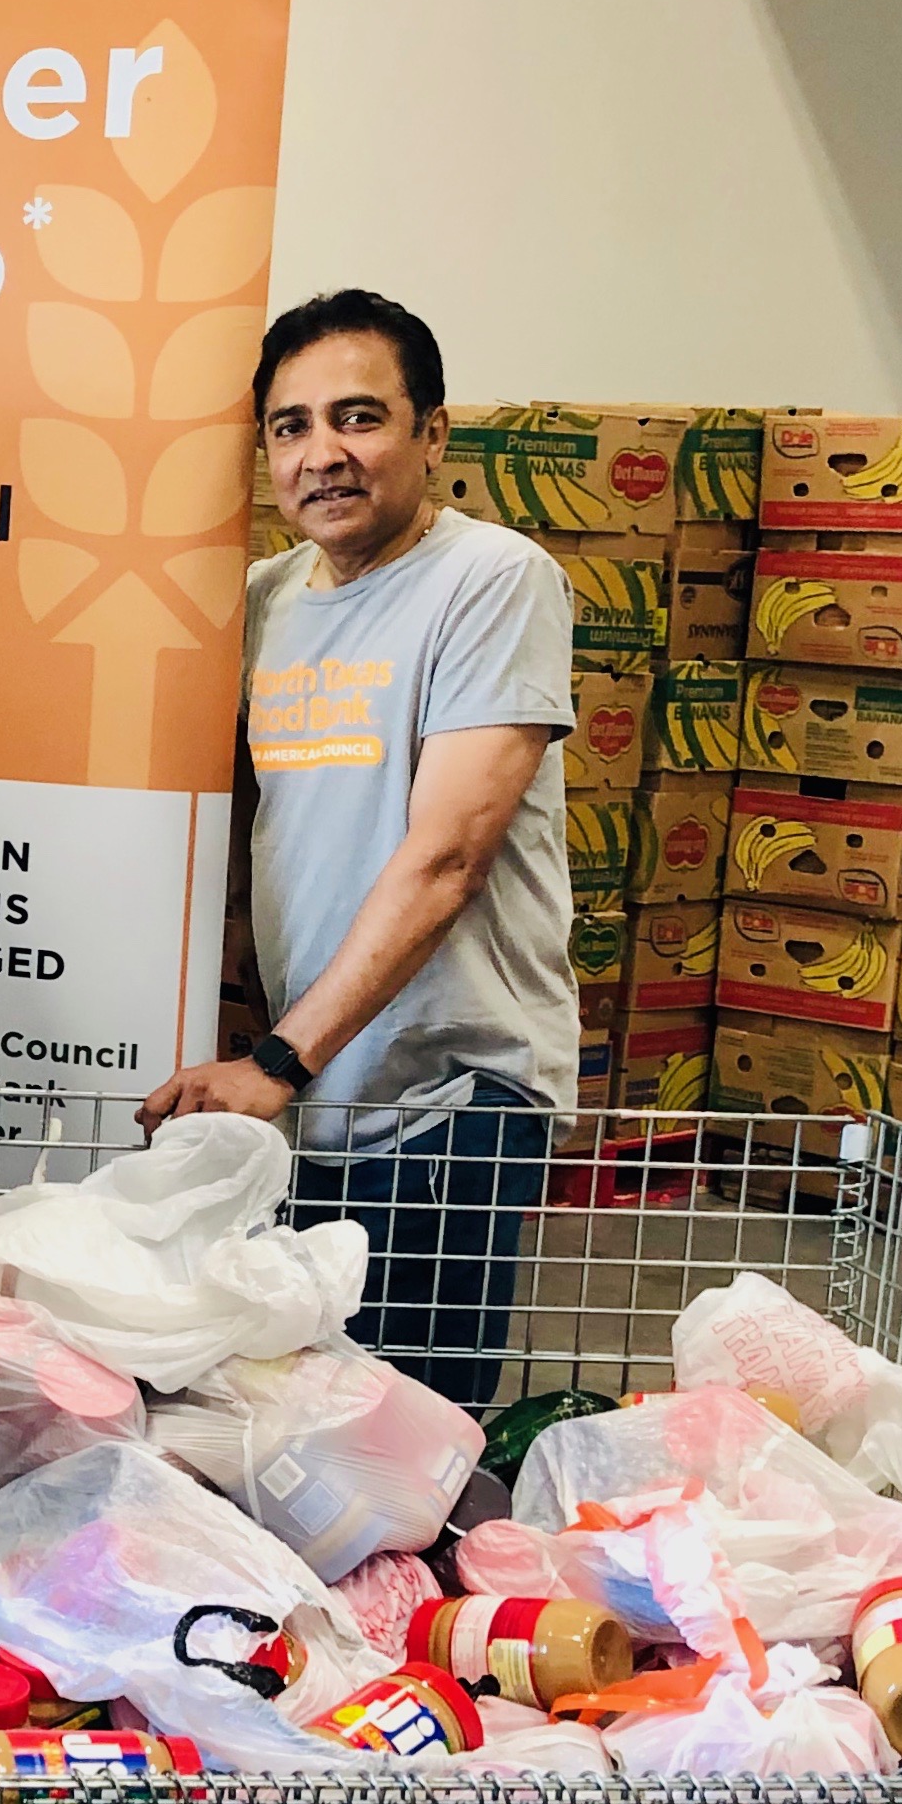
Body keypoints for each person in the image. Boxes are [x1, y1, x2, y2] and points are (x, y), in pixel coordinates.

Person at [137, 289, 574, 1408]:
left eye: (357, 418)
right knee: (313, 1432)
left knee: (411, 1440)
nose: (320, 455)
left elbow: (445, 859)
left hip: (447, 1094)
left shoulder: (491, 580)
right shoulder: (265, 601)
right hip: (318, 1087)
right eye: (290, 428)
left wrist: (277, 1060)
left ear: (432, 431)